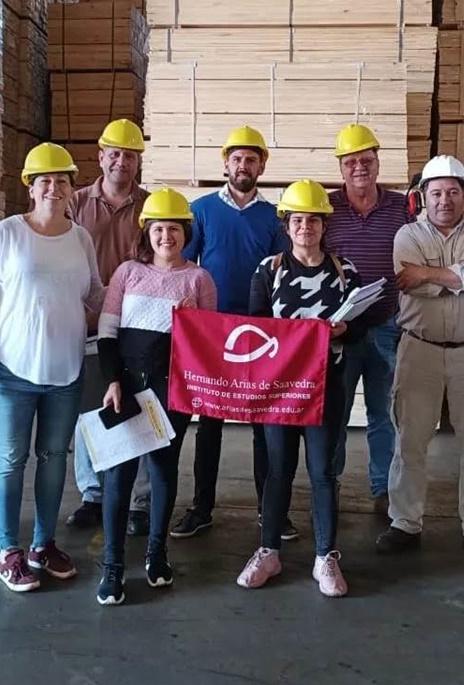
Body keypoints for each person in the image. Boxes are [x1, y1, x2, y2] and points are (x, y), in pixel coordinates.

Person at [0, 143, 105, 593]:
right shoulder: (6, 234)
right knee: (10, 460)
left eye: (61, 180)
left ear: (70, 188)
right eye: (44, 180)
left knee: (53, 459)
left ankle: (43, 545)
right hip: (10, 370)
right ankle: (9, 550)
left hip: (66, 370)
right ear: (30, 188)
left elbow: (97, 295)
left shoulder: (80, 238)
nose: (53, 187)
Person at [375, 155, 464, 566]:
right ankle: (404, 522)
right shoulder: (406, 236)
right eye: (436, 192)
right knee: (410, 440)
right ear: (422, 197)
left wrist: (431, 274)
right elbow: (412, 284)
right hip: (419, 349)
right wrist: (463, 279)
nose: (444, 200)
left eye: (453, 192)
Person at [237, 180, 364, 598]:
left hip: (326, 389)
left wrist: (346, 329)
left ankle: (325, 556)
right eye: (297, 220)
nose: (305, 226)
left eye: (312, 219)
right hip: (279, 392)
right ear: (286, 226)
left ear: (324, 224)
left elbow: (359, 331)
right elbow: (255, 327)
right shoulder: (268, 270)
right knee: (277, 472)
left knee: (323, 473)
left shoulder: (346, 271)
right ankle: (268, 551)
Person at [172, 125, 295, 540]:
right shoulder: (201, 209)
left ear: (261, 165)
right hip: (211, 331)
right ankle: (201, 507)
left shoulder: (275, 216)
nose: (244, 165)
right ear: (225, 163)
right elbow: (184, 266)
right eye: (237, 158)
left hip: (261, 331)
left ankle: (270, 510)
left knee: (265, 423)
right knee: (208, 423)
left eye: (252, 159)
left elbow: (284, 272)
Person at [96, 188, 217, 606]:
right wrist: (112, 381)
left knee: (164, 470)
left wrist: (191, 320)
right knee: (120, 475)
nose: (167, 236)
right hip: (127, 384)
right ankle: (112, 567)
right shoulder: (127, 273)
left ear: (187, 232)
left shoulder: (199, 280)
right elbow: (108, 333)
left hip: (172, 387)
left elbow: (207, 346)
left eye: (175, 229)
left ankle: (156, 553)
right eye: (159, 228)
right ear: (147, 232)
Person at [65, 119, 152, 536]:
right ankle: (92, 494)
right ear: (100, 156)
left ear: (138, 161)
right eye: (114, 153)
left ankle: (139, 498)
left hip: (138, 324)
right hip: (85, 321)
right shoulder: (75, 203)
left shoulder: (151, 207)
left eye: (130, 155)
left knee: (138, 405)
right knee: (89, 410)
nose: (122, 162)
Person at [326, 125, 410, 515]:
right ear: (341, 168)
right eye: (351, 162)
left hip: (386, 327)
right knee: (335, 414)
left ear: (378, 163)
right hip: (339, 332)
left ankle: (383, 490)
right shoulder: (325, 209)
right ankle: (331, 484)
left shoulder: (401, 208)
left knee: (383, 414)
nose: (359, 167)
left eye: (366, 160)